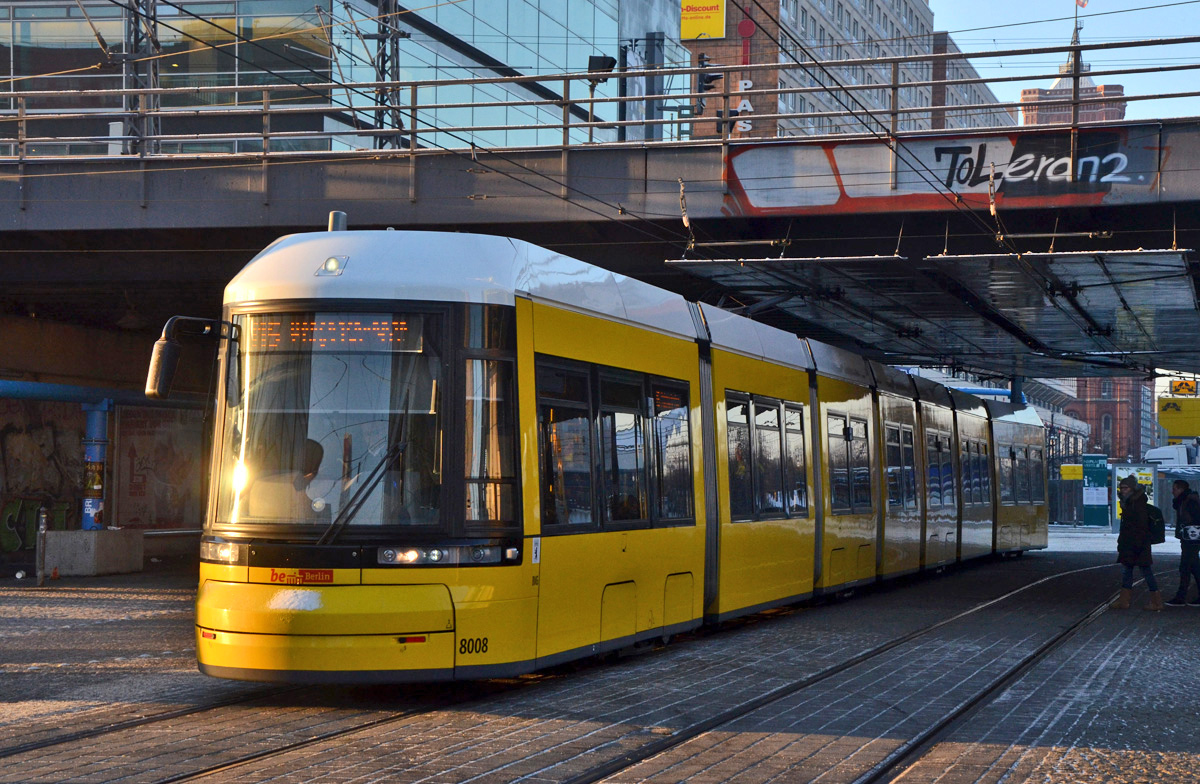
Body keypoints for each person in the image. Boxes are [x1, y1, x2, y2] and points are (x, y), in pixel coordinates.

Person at [1112, 474, 1162, 611]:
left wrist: (1135, 544)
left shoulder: (1136, 504)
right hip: (1131, 544)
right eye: (1121, 487)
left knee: (1145, 571)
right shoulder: (1129, 502)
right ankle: (1124, 601)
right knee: (1128, 571)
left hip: (1137, 545)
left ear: (1133, 489)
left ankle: (1156, 602)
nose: (1123, 490)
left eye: (1126, 487)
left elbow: (1140, 526)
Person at [1165, 479, 1200, 606]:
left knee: (1186, 566)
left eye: (1174, 489)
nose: (1172, 492)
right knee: (1193, 566)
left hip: (1191, 538)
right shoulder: (1185, 500)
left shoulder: (1188, 501)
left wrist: (1187, 527)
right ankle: (1181, 596)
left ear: (1181, 489)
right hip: (1189, 538)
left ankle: (1180, 596)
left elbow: (1195, 518)